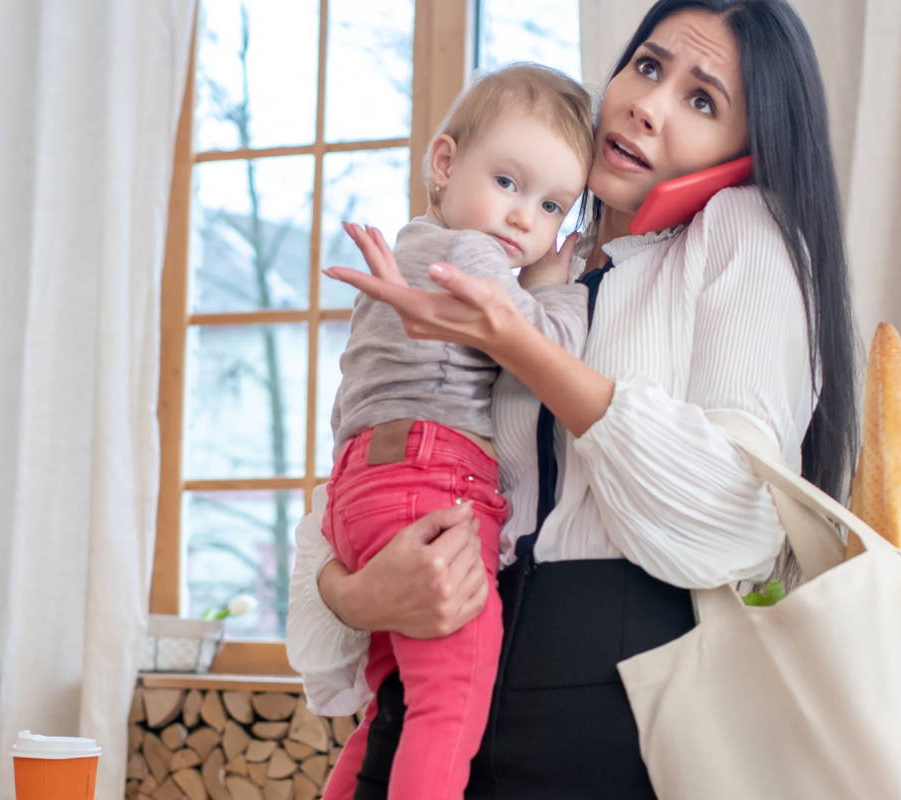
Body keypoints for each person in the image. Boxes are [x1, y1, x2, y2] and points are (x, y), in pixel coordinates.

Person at [291, 0, 860, 797]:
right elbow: (365, 466)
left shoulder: (740, 232)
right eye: (649, 66)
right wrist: (351, 595)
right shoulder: (523, 261)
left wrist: (515, 341)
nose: (647, 106)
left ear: (749, 147)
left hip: (603, 715)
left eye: (702, 100)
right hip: (436, 689)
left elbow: (738, 510)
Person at [318, 62, 595, 800]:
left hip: (360, 491)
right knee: (451, 704)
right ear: (444, 163)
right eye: (508, 183)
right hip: (432, 486)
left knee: (392, 708)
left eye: (551, 207)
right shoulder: (471, 258)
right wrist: (554, 288)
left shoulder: (413, 246)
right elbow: (547, 348)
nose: (522, 220)